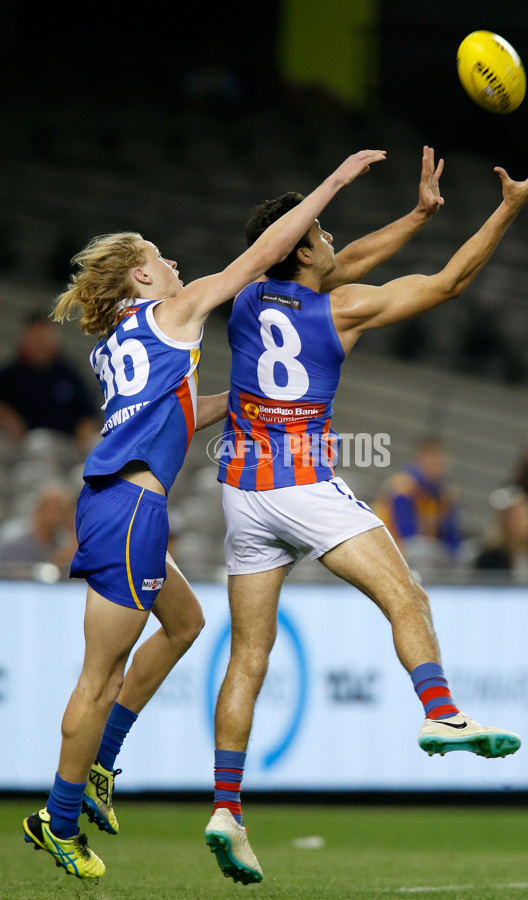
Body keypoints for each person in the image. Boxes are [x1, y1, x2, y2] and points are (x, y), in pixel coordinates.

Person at [22, 148, 388, 882]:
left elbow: (174, 416)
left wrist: (243, 402)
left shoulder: (117, 343)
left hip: (121, 505)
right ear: (140, 277)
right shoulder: (172, 311)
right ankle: (57, 821)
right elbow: (260, 257)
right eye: (161, 258)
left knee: (187, 624)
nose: (176, 265)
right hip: (130, 511)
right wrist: (336, 184)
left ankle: (102, 766)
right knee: (98, 677)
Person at [204, 155, 528, 884]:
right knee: (408, 597)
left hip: (241, 491)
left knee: (248, 656)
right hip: (304, 482)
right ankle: (443, 711)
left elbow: (343, 259)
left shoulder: (241, 298)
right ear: (302, 246)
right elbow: (449, 282)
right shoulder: (341, 310)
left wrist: (419, 215)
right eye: (322, 231)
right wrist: (510, 207)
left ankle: (226, 808)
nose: (335, 239)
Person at [0, 311, 100, 454]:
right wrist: (7, 417)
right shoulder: (11, 374)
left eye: (45, 337)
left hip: (66, 445)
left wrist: (86, 429)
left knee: (97, 443)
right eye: (37, 337)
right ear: (25, 339)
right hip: (24, 447)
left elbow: (87, 415)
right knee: (38, 442)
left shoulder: (69, 375)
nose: (41, 343)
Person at [373, 435, 461, 574]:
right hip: (390, 554)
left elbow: (452, 542)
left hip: (427, 558)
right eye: (434, 457)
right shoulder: (403, 488)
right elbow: (407, 538)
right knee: (419, 551)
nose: (440, 463)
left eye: (441, 458)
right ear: (421, 458)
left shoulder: (440, 494)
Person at [0, 478, 77, 577]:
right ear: (39, 509)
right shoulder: (13, 541)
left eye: (62, 511)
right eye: (52, 509)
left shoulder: (63, 543)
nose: (55, 516)